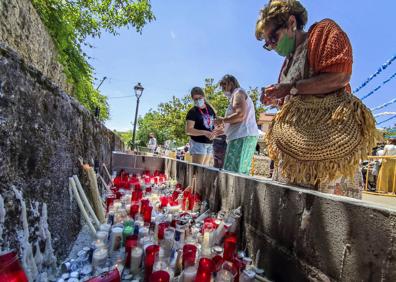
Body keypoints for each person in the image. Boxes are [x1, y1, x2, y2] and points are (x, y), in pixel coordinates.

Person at [255, 0, 376, 198]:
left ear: (291, 23)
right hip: (297, 152)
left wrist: (291, 87)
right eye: (267, 44)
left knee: (327, 215)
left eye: (273, 38)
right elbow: (293, 100)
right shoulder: (287, 63)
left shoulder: (323, 34)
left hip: (329, 144)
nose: (272, 45)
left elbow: (340, 76)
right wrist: (275, 99)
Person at [215, 75, 259, 175]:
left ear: (231, 83)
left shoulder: (238, 93)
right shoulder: (236, 95)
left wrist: (222, 120)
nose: (223, 90)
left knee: (233, 173)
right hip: (242, 136)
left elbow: (240, 115)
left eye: (224, 86)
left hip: (242, 136)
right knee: (238, 172)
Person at [185, 87, 217, 165]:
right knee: (197, 171)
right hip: (198, 143)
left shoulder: (210, 109)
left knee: (204, 170)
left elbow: (215, 124)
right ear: (192, 99)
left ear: (203, 96)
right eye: (195, 99)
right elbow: (188, 130)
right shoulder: (192, 112)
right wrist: (205, 132)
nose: (198, 100)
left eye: (200, 98)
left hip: (210, 143)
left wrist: (215, 132)